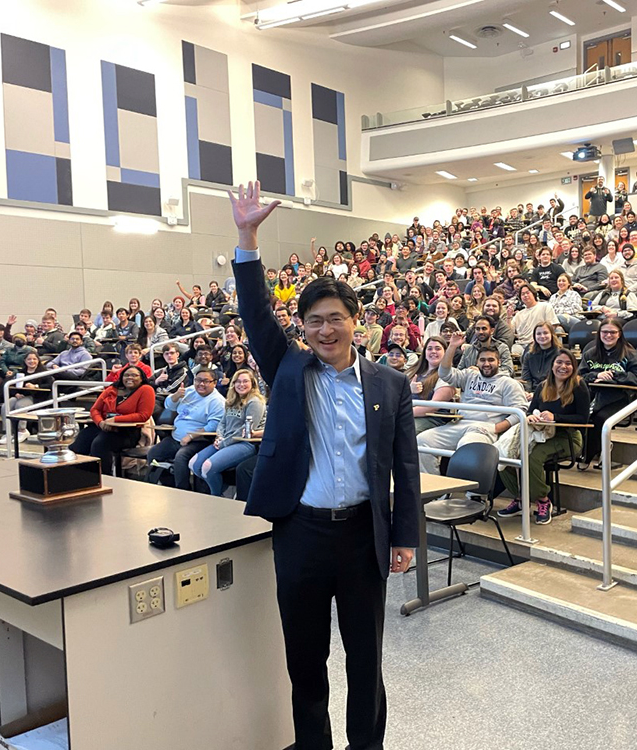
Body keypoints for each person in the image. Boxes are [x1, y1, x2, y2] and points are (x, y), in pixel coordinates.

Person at [230, 181, 419, 749]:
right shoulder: (288, 368)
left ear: (355, 320)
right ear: (304, 328)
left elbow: (405, 468)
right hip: (302, 534)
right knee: (305, 665)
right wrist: (247, 236)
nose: (325, 330)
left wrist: (405, 535)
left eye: (335, 318)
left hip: (364, 535)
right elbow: (257, 313)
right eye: (314, 321)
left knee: (367, 665)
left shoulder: (390, 383)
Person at [498, 348, 591, 525]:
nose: (563, 367)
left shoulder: (579, 386)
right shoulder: (543, 386)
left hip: (567, 438)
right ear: (552, 365)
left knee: (532, 457)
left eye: (568, 363)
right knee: (504, 452)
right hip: (539, 433)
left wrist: (555, 417)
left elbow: (583, 419)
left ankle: (542, 500)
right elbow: (532, 409)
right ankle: (520, 498)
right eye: (559, 362)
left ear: (574, 366)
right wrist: (532, 415)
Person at [417, 333, 528, 475]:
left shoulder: (509, 383)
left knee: (467, 446)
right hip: (460, 423)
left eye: (491, 360)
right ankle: (433, 489)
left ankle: (473, 495)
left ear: (499, 362)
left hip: (484, 428)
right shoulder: (469, 375)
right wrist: (452, 346)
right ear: (477, 362)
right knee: (422, 441)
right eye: (482, 360)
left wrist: (496, 428)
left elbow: (520, 411)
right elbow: (444, 373)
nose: (486, 364)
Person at [577, 318, 637, 468]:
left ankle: (589, 455)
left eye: (612, 332)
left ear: (619, 334)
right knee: (582, 416)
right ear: (599, 333)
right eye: (605, 332)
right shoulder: (590, 353)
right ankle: (588, 452)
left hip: (620, 397)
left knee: (600, 419)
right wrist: (597, 375)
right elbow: (579, 376)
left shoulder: (629, 353)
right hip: (594, 396)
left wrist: (614, 375)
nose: (608, 335)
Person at [189, 369, 267, 496]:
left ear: (252, 383)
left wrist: (224, 442)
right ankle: (222, 489)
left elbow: (244, 430)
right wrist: (219, 436)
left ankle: (216, 496)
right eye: (238, 381)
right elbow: (222, 423)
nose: (241, 384)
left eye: (245, 381)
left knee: (207, 467)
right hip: (225, 441)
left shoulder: (255, 402)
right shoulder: (231, 400)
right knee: (194, 464)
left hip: (244, 443)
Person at [146, 368, 225, 490]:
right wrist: (176, 396)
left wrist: (191, 436)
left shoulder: (217, 401)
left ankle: (183, 490)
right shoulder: (189, 391)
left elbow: (213, 426)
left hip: (199, 440)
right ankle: (169, 486)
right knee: (154, 454)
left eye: (206, 381)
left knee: (180, 457)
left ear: (214, 383)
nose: (201, 384)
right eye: (198, 380)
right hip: (175, 437)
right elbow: (168, 405)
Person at [69, 366, 155, 475]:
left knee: (100, 444)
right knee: (81, 441)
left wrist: (114, 420)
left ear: (141, 378)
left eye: (134, 375)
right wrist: (100, 422)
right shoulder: (112, 389)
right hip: (103, 427)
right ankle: (78, 475)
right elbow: (95, 409)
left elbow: (143, 415)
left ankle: (102, 478)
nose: (130, 378)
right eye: (127, 375)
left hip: (126, 432)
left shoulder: (146, 389)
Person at [407, 336, 457, 434]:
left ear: (445, 353)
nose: (433, 351)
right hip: (408, 414)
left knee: (405, 430)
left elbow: (432, 407)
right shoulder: (413, 371)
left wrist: (403, 413)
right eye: (429, 349)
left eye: (438, 349)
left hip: (431, 418)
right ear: (425, 353)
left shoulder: (448, 376)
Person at [510, 284, 559, 357]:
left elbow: (553, 325)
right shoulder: (518, 315)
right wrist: (508, 317)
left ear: (533, 293)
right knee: (514, 350)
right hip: (521, 344)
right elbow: (510, 331)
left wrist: (540, 339)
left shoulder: (545, 306)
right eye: (523, 294)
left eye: (527, 292)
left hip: (539, 342)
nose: (525, 295)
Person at [520, 322, 560, 393]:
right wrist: (527, 393)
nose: (542, 336)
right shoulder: (529, 356)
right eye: (538, 334)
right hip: (531, 394)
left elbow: (557, 381)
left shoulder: (559, 355)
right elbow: (526, 379)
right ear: (534, 336)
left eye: (545, 333)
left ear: (552, 334)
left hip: (552, 392)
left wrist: (536, 395)